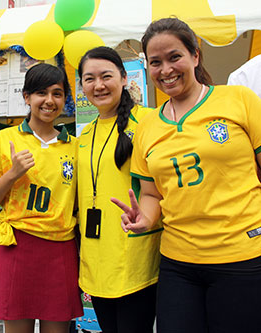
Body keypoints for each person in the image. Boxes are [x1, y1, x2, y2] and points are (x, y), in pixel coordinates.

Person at [111, 18, 261, 333]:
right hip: (179, 264)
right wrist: (145, 219)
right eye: (155, 62)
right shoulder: (147, 128)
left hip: (243, 258)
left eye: (174, 57)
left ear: (195, 55)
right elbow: (152, 194)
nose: (166, 69)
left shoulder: (238, 100)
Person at [0, 63, 82, 333]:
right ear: (26, 97)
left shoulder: (75, 146)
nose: (49, 101)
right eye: (41, 93)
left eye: (57, 94)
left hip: (61, 247)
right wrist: (12, 174)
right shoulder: (4, 139)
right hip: (17, 246)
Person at [76, 46, 161, 333]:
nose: (98, 85)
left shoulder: (151, 121)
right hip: (97, 260)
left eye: (106, 76)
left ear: (124, 78)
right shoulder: (83, 136)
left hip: (137, 256)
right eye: (89, 79)